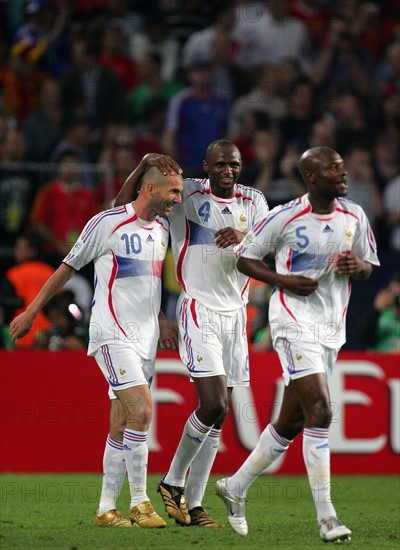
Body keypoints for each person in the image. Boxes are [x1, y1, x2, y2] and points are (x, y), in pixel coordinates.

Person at [215, 146, 380, 542]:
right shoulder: (285, 216)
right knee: (321, 411)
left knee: (290, 422)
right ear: (311, 178)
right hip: (291, 322)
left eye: (343, 167)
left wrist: (357, 268)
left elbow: (368, 265)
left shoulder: (354, 215)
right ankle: (327, 518)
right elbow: (244, 257)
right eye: (334, 169)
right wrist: (283, 281)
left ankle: (235, 486)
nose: (343, 174)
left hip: (330, 328)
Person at [10, 156, 184, 528]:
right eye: (173, 191)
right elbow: (66, 269)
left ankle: (106, 508)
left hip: (147, 340)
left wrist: (162, 319)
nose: (177, 199)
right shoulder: (106, 224)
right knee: (142, 410)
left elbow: (148, 287)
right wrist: (30, 312)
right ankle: (140, 503)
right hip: (111, 334)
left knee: (122, 423)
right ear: (150, 187)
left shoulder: (162, 230)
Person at [114, 140, 270, 527]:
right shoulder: (186, 194)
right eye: (219, 164)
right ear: (206, 166)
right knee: (213, 403)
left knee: (218, 418)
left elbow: (271, 244)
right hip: (198, 308)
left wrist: (245, 238)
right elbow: (123, 208)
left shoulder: (254, 201)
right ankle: (171, 481)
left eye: (233, 164)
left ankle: (195, 505)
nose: (227, 171)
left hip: (237, 315)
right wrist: (144, 163)